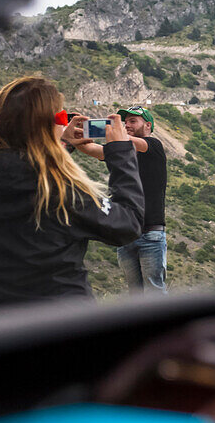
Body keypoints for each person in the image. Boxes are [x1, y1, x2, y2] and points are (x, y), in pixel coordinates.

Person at [0, 77, 144, 316]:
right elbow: (128, 223)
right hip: (60, 326)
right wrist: (121, 153)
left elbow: (21, 170)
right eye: (61, 117)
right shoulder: (60, 192)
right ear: (48, 125)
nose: (64, 122)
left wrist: (62, 142)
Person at [72, 106, 168, 293]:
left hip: (151, 234)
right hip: (127, 235)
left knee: (155, 293)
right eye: (126, 122)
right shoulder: (122, 152)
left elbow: (128, 142)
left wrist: (114, 131)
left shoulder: (154, 145)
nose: (127, 125)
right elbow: (91, 149)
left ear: (147, 125)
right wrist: (75, 137)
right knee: (136, 296)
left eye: (133, 121)